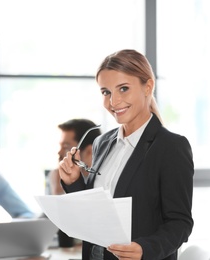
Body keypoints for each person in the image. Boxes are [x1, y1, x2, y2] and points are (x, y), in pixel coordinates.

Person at [58, 49, 194, 260]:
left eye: (123, 89)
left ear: (148, 87)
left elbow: (180, 223)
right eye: (106, 92)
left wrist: (145, 249)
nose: (113, 101)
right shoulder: (102, 142)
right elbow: (94, 211)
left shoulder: (171, 147)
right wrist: (74, 181)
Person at [48, 119, 101, 196]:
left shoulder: (102, 180)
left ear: (89, 151)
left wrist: (59, 191)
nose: (59, 152)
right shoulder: (55, 176)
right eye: (60, 146)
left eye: (66, 147)